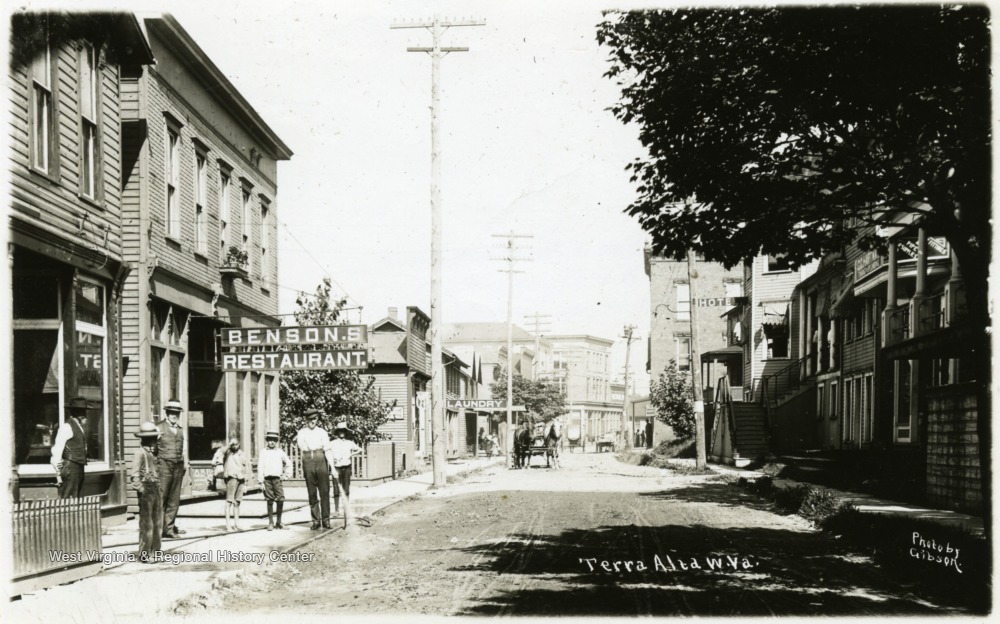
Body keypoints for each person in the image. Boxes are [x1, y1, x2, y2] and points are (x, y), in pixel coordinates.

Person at [130, 422, 163, 563]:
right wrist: (143, 490)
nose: (156, 442)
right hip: (146, 491)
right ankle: (144, 554)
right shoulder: (139, 453)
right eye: (154, 439)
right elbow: (134, 476)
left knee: (158, 524)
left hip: (156, 489)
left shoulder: (154, 454)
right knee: (146, 524)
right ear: (148, 440)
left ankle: (155, 552)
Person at [296, 408, 332, 530]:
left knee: (324, 491)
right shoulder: (302, 432)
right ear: (306, 420)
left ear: (317, 419)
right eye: (310, 419)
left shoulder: (322, 432)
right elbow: (303, 446)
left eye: (315, 419)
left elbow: (327, 449)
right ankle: (316, 520)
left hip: (320, 459)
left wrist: (333, 468)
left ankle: (326, 520)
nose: (313, 421)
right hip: (308, 460)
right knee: (312, 492)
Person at [157, 400, 187, 538]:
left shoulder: (181, 430)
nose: (174, 415)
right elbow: (152, 448)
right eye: (172, 413)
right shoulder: (159, 428)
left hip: (178, 466)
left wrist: (186, 465)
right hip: (164, 465)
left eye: (176, 413)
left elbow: (184, 450)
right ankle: (158, 528)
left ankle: (168, 529)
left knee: (174, 499)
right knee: (162, 497)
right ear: (167, 413)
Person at [51, 396, 90, 498]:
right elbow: (57, 449)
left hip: (78, 468)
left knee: (76, 500)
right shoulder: (66, 427)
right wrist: (58, 471)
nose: (86, 416)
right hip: (70, 468)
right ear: (78, 414)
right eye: (83, 413)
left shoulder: (79, 427)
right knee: (68, 499)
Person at [327, 420, 363, 516]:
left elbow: (360, 449)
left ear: (346, 432)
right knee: (336, 489)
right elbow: (327, 452)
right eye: (340, 431)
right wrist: (332, 459)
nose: (341, 433)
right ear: (337, 432)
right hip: (337, 468)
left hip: (347, 467)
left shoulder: (349, 443)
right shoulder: (332, 443)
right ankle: (337, 510)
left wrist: (351, 454)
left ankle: (346, 509)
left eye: (343, 431)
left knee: (346, 489)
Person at [258, 429, 291, 530]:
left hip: (277, 479)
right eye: (270, 440)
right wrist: (261, 481)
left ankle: (279, 522)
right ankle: (271, 522)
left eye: (274, 440)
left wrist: (285, 476)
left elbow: (289, 464)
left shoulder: (280, 452)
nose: (271, 442)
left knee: (280, 499)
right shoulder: (263, 452)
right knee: (269, 500)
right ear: (267, 441)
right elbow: (260, 467)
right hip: (267, 479)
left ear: (277, 441)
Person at [220, 437, 250, 532]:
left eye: (236, 444)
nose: (234, 446)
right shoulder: (227, 453)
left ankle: (237, 524)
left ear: (239, 444)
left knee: (237, 503)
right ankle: (228, 525)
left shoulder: (242, 454)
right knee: (229, 502)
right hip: (231, 479)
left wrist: (246, 483)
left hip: (241, 479)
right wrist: (229, 444)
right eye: (232, 444)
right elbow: (220, 452)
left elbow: (247, 468)